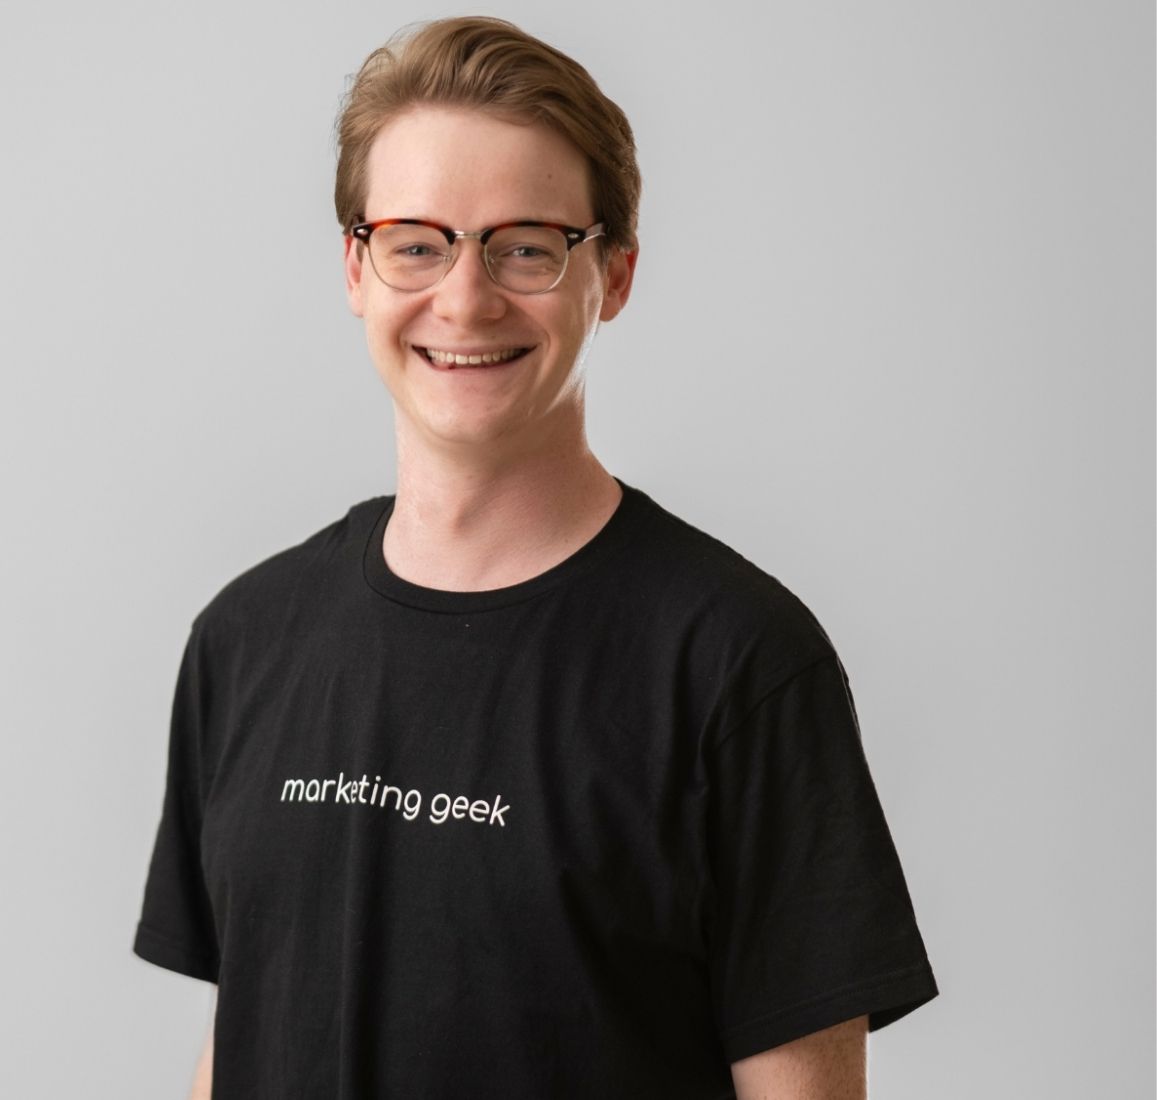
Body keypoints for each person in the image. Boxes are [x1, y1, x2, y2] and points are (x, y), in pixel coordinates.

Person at [132, 16, 939, 1099]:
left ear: (612, 273)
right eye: (417, 242)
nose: (464, 298)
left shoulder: (735, 664)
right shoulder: (245, 637)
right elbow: (243, 1036)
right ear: (355, 269)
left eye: (524, 245)